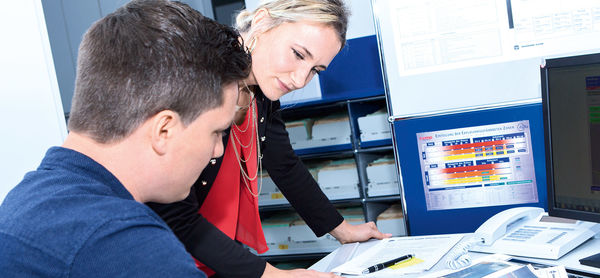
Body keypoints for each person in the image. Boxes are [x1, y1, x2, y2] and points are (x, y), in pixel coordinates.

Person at [0, 0, 251, 277]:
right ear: (164, 130)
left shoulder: (28, 198)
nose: (217, 150)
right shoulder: (127, 246)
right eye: (216, 132)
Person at [148, 1, 392, 277]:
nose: (301, 80)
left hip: (214, 252)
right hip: (163, 256)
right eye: (298, 54)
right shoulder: (198, 80)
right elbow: (173, 214)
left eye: (316, 70)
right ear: (262, 22)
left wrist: (342, 229)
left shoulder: (261, 89)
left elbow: (284, 164)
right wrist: (276, 275)